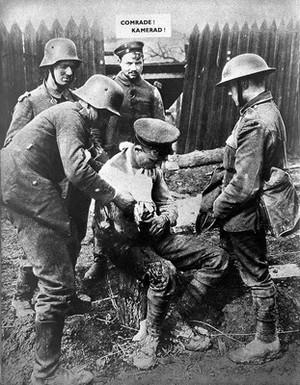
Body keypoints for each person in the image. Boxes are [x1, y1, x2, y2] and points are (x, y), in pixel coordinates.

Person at [1, 74, 136, 385]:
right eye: (103, 115)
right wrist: (115, 195)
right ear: (91, 105)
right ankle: (45, 374)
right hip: (22, 184)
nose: (104, 122)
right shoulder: (70, 116)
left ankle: (68, 299)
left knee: (71, 233)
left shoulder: (74, 117)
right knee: (55, 279)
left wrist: (124, 165)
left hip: (23, 180)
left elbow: (95, 155)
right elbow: (76, 169)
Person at [95, 118, 229, 370]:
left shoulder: (152, 167)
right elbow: (105, 229)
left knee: (217, 258)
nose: (158, 165)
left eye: (160, 160)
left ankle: (175, 318)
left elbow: (168, 203)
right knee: (163, 272)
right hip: (125, 244)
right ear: (137, 150)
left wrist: (164, 218)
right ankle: (151, 339)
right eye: (154, 158)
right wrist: (131, 218)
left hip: (155, 236)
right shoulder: (110, 173)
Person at [4, 38, 104, 318]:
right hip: (41, 187)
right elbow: (13, 145)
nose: (68, 73)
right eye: (62, 66)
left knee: (73, 235)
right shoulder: (30, 101)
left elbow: (90, 138)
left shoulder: (78, 101)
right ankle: (23, 295)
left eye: (72, 67)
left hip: (74, 184)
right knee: (40, 241)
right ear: (49, 67)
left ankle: (65, 294)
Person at [213, 53, 285, 364]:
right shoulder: (262, 110)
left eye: (231, 87)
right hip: (243, 210)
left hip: (244, 213)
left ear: (244, 84)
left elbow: (243, 185)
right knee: (247, 267)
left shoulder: (255, 120)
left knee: (256, 273)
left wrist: (216, 207)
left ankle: (266, 339)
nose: (229, 94)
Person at [84, 40, 166, 281]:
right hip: (112, 158)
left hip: (142, 160)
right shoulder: (109, 88)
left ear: (143, 63)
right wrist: (101, 156)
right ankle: (100, 260)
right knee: (104, 207)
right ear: (119, 62)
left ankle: (140, 252)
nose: (133, 67)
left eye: (138, 62)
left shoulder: (152, 91)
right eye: (128, 62)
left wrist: (158, 160)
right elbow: (96, 126)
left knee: (143, 202)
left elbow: (160, 127)